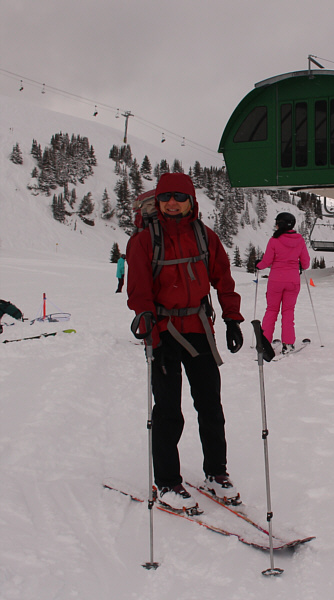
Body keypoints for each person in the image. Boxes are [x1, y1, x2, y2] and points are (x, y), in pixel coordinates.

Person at [126, 172, 244, 513]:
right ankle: (166, 481)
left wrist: (232, 318)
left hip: (198, 328)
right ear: (158, 201)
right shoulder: (144, 241)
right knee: (168, 410)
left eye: (180, 197)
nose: (172, 203)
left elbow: (223, 278)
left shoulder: (205, 236)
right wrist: (149, 330)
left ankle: (216, 473)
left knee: (210, 406)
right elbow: (139, 291)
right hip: (163, 331)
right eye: (166, 197)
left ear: (191, 201)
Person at [255, 212, 311, 354]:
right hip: (292, 281)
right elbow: (306, 263)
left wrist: (258, 265)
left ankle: (264, 343)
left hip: (275, 280)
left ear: (280, 224)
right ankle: (288, 344)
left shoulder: (274, 240)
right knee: (288, 311)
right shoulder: (299, 240)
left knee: (271, 310)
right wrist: (299, 265)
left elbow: (266, 262)